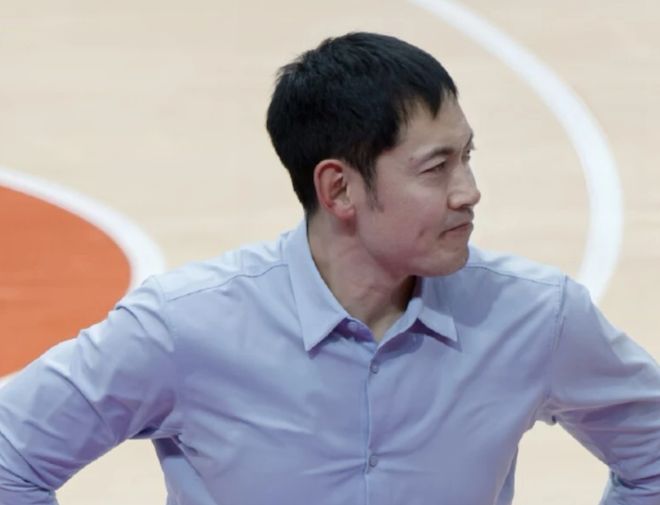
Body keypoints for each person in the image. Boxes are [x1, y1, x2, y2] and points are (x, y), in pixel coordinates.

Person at [0, 32, 659, 505]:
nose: (469, 191)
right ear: (339, 189)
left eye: (467, 157)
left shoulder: (536, 317)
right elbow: (11, 458)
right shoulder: (184, 327)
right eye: (437, 167)